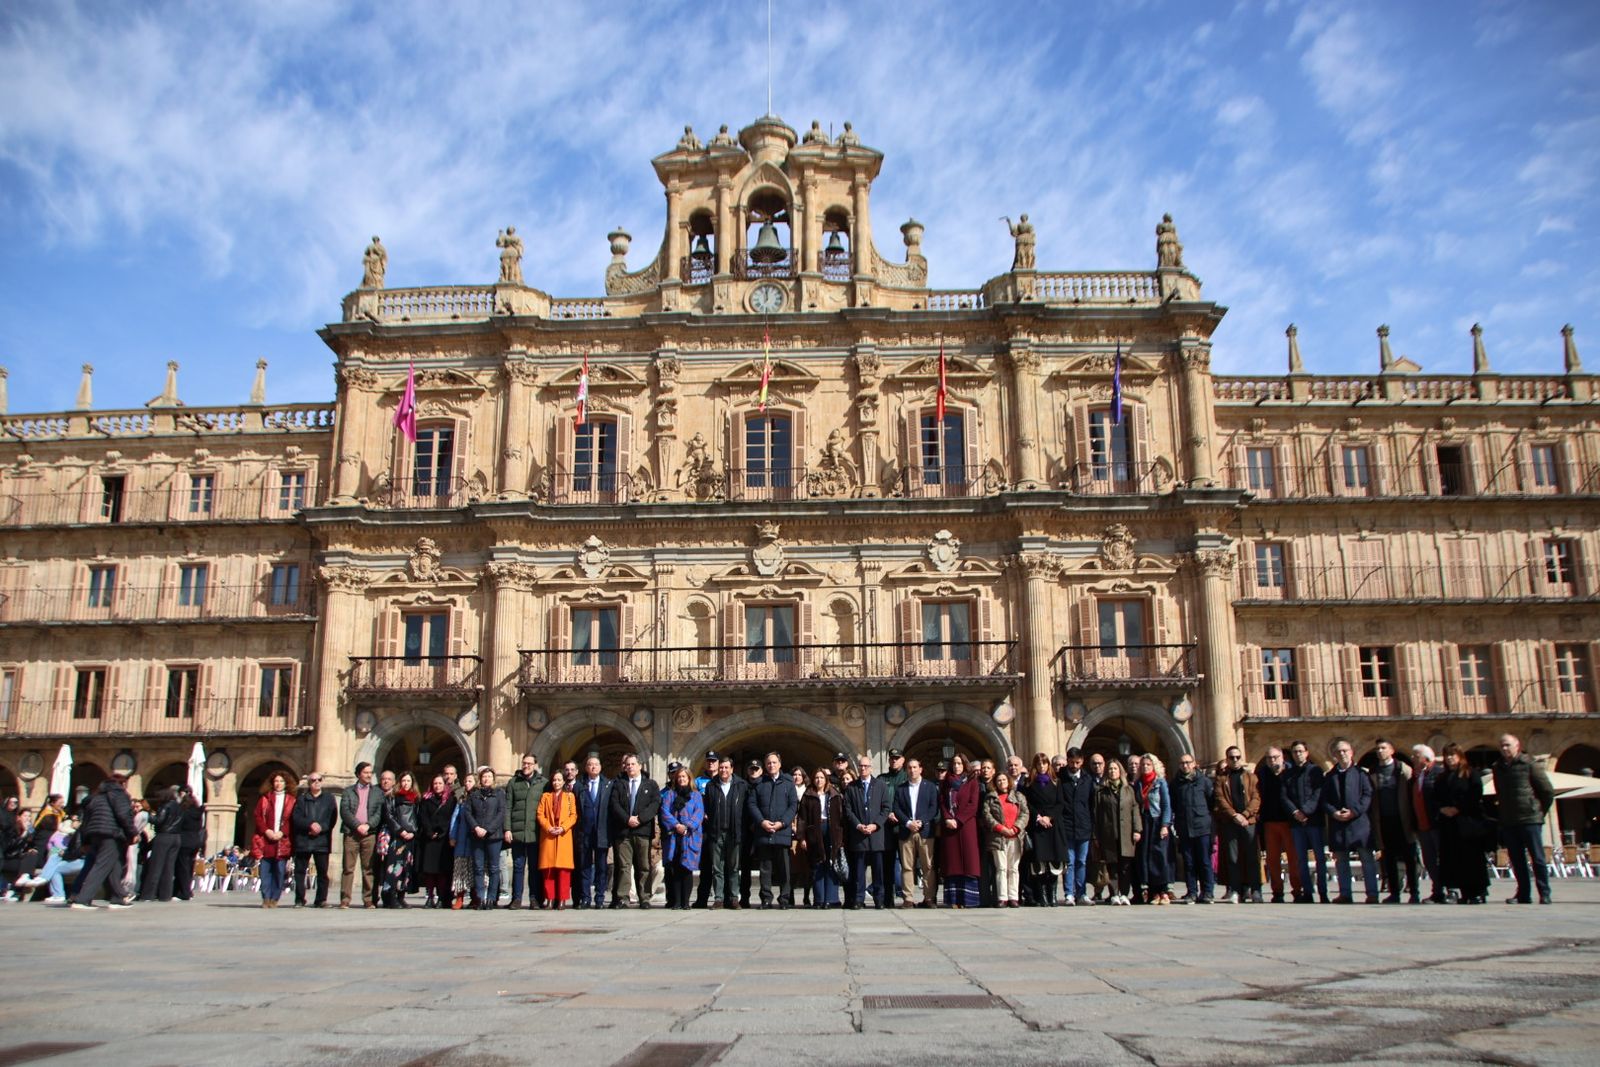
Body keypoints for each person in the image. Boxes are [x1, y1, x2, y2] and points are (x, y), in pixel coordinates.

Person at [1490, 733, 1555, 905]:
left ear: (1517, 746)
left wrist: (1538, 811)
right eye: (1502, 745)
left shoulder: (1529, 764)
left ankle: (1544, 892)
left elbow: (1547, 791)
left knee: (1538, 858)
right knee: (1517, 860)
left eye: (1508, 745)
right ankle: (1523, 893)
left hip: (1530, 819)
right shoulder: (1497, 767)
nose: (1504, 748)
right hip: (1509, 820)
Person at [1322, 739, 1378, 904]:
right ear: (1334, 755)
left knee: (1367, 859)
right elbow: (1324, 799)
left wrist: (1354, 811)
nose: (1342, 754)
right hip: (1338, 823)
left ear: (1352, 752)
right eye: (1339, 751)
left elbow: (1367, 795)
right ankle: (1345, 893)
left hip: (1360, 823)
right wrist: (1334, 812)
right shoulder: (1330, 776)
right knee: (1341, 861)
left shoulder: (1362, 774)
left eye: (1345, 750)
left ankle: (1372, 893)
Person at [1435, 743, 1490, 905]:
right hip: (1449, 823)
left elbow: (1475, 794)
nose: (1449, 758)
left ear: (1460, 756)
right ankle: (1457, 890)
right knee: (1452, 857)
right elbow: (1434, 797)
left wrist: (1458, 808)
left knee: (1472, 857)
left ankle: (1477, 891)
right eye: (1446, 755)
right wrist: (1442, 808)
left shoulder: (1471, 774)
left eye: (1452, 754)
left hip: (1468, 822)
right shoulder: (1442, 777)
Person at [72, 773, 136, 910]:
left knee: (115, 865)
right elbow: (124, 815)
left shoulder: (96, 797)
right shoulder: (119, 794)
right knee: (102, 866)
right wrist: (133, 833)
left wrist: (85, 841)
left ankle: (118, 897)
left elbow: (86, 821)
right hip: (111, 834)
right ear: (122, 784)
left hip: (95, 834)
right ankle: (83, 899)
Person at [1368, 739, 1420, 904]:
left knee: (1410, 858)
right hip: (1383, 820)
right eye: (1377, 748)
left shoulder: (1404, 769)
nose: (1380, 751)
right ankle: (1394, 893)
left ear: (1392, 750)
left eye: (1383, 748)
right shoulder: (1373, 771)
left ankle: (1414, 892)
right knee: (1389, 858)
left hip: (1403, 819)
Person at [747, 751, 797, 909]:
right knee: (765, 868)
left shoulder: (788, 783)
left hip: (782, 831)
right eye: (768, 763)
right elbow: (752, 804)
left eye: (774, 762)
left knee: (784, 868)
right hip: (764, 832)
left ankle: (785, 899)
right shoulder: (759, 783)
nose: (771, 765)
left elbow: (793, 805)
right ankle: (766, 898)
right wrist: (762, 822)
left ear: (780, 764)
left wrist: (782, 823)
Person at [609, 754, 660, 909]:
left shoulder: (650, 784)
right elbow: (614, 804)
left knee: (643, 866)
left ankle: (644, 898)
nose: (630, 767)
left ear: (640, 766)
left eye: (633, 764)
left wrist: (640, 818)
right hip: (624, 831)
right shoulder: (619, 784)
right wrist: (627, 819)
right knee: (624, 866)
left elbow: (655, 804)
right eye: (628, 764)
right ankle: (623, 898)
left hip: (642, 831)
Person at [1215, 746, 1262, 903]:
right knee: (1232, 858)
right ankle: (1235, 890)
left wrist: (1245, 814)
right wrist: (1234, 815)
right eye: (1231, 757)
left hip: (1248, 822)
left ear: (1241, 758)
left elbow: (1256, 798)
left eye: (1237, 757)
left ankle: (1256, 889)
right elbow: (1220, 799)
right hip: (1230, 822)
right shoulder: (1221, 779)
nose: (1235, 760)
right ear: (1227, 759)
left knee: (1252, 857)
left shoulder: (1251, 777)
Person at [844, 755, 891, 909]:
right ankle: (858, 899)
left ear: (871, 768)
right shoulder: (852, 787)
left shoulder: (880, 785)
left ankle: (879, 899)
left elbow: (886, 808)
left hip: (876, 835)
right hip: (859, 835)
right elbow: (848, 810)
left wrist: (875, 825)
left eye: (866, 766)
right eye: (861, 766)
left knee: (878, 870)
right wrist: (858, 825)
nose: (863, 768)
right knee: (859, 870)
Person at [1284, 740, 1329, 903]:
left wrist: (1306, 811)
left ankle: (1323, 892)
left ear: (1307, 752)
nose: (1298, 754)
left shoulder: (1315, 771)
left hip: (1314, 820)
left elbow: (1318, 793)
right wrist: (1295, 812)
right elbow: (1284, 796)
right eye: (1295, 752)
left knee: (1320, 858)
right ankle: (1307, 892)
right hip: (1296, 822)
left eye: (1300, 751)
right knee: (1301, 859)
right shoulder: (1288, 773)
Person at [700, 756, 746, 910]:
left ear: (732, 769)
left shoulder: (741, 785)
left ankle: (734, 898)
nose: (723, 770)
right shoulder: (711, 786)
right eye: (721, 767)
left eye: (726, 767)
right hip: (716, 832)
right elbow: (707, 807)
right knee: (717, 868)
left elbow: (745, 808)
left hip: (734, 832)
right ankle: (718, 898)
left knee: (734, 868)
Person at [894, 757, 940, 908]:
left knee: (928, 866)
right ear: (906, 770)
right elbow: (896, 808)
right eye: (909, 768)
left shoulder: (930, 787)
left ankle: (929, 898)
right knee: (907, 866)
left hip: (925, 831)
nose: (912, 770)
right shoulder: (901, 788)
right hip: (906, 831)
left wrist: (922, 821)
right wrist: (908, 823)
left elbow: (933, 807)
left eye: (915, 767)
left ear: (920, 769)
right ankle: (908, 898)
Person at [1170, 753, 1215, 904]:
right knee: (1189, 863)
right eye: (1182, 763)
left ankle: (1208, 892)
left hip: (1202, 827)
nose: (1185, 765)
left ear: (1194, 763)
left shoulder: (1204, 781)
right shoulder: (1175, 784)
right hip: (1184, 828)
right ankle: (1192, 892)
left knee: (1204, 861)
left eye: (1188, 762)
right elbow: (1174, 805)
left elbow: (1211, 802)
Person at [505, 754, 548, 910]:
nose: (526, 766)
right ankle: (516, 899)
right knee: (518, 866)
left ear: (535, 765)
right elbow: (508, 807)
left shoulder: (543, 783)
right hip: (517, 832)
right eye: (524, 763)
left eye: (529, 763)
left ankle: (534, 899)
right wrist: (507, 829)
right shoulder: (513, 782)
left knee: (534, 867)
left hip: (535, 832)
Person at [939, 753, 982, 908]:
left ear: (965, 765)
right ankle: (953, 900)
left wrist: (958, 820)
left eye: (959, 763)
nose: (956, 766)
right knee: (952, 863)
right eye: (954, 763)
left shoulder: (972, 782)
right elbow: (942, 802)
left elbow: (973, 804)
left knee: (968, 862)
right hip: (949, 827)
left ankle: (968, 899)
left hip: (966, 826)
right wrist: (947, 818)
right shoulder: (946, 782)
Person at [1092, 760, 1137, 905]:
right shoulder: (1101, 791)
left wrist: (1137, 829)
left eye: (1115, 769)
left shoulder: (1128, 790)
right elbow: (1096, 814)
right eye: (1110, 769)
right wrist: (1095, 835)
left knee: (1125, 866)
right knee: (1112, 866)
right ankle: (1114, 894)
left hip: (1126, 833)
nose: (1112, 771)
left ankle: (1124, 894)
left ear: (1120, 771)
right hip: (1108, 834)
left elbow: (1134, 810)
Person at [1023, 752, 1066, 906]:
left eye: (1044, 763)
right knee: (1039, 862)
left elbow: (1060, 803)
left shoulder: (1056, 782)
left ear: (1048, 765)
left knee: (1054, 861)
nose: (1042, 766)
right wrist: (1039, 817)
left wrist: (1049, 817)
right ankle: (1042, 896)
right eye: (1039, 763)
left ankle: (1052, 895)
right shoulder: (1029, 783)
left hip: (1053, 825)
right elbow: (1027, 804)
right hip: (1038, 826)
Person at [797, 768, 844, 909]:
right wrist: (802, 837)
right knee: (817, 864)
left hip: (832, 830)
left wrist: (841, 837)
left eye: (822, 778)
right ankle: (819, 899)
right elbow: (802, 818)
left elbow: (841, 817)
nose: (819, 780)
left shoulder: (834, 794)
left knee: (831, 863)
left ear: (826, 779)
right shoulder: (808, 795)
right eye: (816, 778)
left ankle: (832, 899)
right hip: (814, 831)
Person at [658, 766, 703, 910]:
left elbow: (699, 813)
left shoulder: (696, 795)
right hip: (673, 836)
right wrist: (676, 825)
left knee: (687, 868)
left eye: (684, 776)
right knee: (675, 868)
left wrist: (687, 826)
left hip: (689, 836)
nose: (681, 779)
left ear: (689, 778)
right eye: (679, 777)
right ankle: (676, 901)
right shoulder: (670, 795)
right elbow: (664, 812)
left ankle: (686, 902)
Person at [982, 771, 1029, 907]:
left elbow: (1025, 813)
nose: (1001, 782)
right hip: (998, 837)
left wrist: (1016, 828)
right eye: (999, 780)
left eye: (1004, 780)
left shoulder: (1018, 796)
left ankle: (1013, 897)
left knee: (1013, 868)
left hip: (1015, 836)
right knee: (1001, 868)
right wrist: (1000, 828)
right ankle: (1002, 897)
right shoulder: (991, 798)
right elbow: (987, 815)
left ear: (1008, 781)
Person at [338, 762, 380, 910]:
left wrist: (368, 825)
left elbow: (378, 813)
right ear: (358, 774)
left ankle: (368, 899)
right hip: (351, 833)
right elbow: (345, 811)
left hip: (370, 833)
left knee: (368, 868)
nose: (369, 775)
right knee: (348, 868)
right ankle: (345, 899)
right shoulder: (348, 791)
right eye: (365, 772)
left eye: (370, 772)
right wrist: (357, 825)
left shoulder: (377, 792)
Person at [464, 768, 507, 910]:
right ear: (480, 779)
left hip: (494, 836)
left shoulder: (499, 794)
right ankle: (480, 898)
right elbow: (468, 813)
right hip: (477, 836)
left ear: (493, 779)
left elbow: (501, 813)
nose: (486, 779)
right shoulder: (473, 795)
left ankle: (491, 899)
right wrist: (476, 827)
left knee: (494, 868)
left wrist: (487, 829)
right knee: (478, 868)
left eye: (489, 776)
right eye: (484, 776)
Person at [1057, 748, 1095, 906]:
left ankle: (1082, 893)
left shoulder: (1087, 779)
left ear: (1082, 761)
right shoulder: (1060, 778)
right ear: (1067, 761)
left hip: (1083, 826)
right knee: (1069, 862)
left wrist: (1091, 825)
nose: (1074, 765)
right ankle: (1069, 894)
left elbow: (1092, 804)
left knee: (1082, 861)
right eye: (1071, 762)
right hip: (1066, 826)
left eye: (1077, 762)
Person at [290, 772, 334, 908]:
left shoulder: (329, 799)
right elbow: (296, 818)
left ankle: (321, 900)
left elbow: (332, 818)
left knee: (322, 872)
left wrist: (321, 827)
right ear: (309, 783)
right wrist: (310, 825)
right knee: (300, 872)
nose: (316, 782)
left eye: (319, 779)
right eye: (313, 780)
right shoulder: (301, 799)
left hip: (322, 839)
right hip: (304, 839)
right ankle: (299, 899)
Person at [1133, 753, 1173, 904]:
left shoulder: (1160, 782)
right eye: (1143, 765)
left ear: (1154, 766)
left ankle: (1163, 891)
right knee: (1146, 856)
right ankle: (1153, 892)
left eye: (1148, 764)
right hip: (1145, 821)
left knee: (1159, 856)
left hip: (1157, 820)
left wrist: (1165, 825)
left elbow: (1166, 805)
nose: (1145, 767)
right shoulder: (1138, 783)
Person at [574, 755, 613, 909]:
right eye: (590, 764)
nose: (593, 767)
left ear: (600, 767)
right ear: (586, 768)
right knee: (584, 866)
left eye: (596, 764)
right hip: (584, 832)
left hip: (602, 831)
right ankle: (585, 898)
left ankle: (600, 897)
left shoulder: (608, 785)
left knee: (601, 866)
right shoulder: (580, 785)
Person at [251, 772, 294, 909]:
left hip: (282, 841)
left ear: (286, 783)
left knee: (280, 871)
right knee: (265, 871)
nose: (278, 784)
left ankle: (275, 898)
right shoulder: (265, 799)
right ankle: (266, 897)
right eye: (276, 781)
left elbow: (292, 819)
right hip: (266, 840)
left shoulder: (291, 800)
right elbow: (258, 816)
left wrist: (282, 832)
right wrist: (267, 831)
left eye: (281, 781)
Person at [537, 770, 578, 909]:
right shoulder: (545, 796)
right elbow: (540, 814)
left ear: (564, 781)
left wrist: (563, 828)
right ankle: (550, 898)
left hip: (563, 836)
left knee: (563, 870)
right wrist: (548, 827)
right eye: (554, 780)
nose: (556, 782)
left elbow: (573, 815)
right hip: (548, 836)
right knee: (548, 869)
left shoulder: (570, 796)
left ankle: (562, 899)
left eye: (559, 780)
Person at [1411, 745, 1445, 903]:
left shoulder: (1439, 773)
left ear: (1426, 758)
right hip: (1423, 825)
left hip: (1437, 824)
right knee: (1429, 860)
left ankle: (1451, 889)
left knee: (1444, 858)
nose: (1412, 758)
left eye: (1416, 755)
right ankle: (1437, 890)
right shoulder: (1418, 775)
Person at [135, 788, 182, 903]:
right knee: (168, 868)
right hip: (176, 837)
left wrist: (148, 816)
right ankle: (165, 895)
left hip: (164, 836)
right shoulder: (178, 806)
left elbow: (159, 820)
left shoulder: (165, 806)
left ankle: (148, 895)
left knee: (156, 865)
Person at [381, 772, 420, 908]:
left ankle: (401, 896)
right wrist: (400, 831)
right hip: (397, 836)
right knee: (394, 867)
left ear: (412, 783)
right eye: (403, 780)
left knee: (406, 868)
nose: (406, 783)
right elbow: (389, 816)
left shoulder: (416, 798)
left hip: (410, 837)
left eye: (408, 781)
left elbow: (417, 817)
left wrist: (413, 832)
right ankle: (390, 896)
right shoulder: (392, 797)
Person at [416, 774, 455, 908]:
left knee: (442, 870)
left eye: (440, 783)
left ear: (445, 785)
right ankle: (430, 896)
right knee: (429, 870)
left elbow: (451, 818)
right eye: (435, 784)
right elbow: (423, 817)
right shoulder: (426, 800)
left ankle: (442, 897)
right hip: (429, 839)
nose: (437, 786)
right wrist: (430, 832)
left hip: (443, 840)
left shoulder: (451, 800)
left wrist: (442, 832)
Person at [172, 785, 205, 901]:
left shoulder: (184, 812)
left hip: (184, 840)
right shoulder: (198, 813)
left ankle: (184, 893)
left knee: (182, 867)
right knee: (190, 867)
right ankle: (187, 891)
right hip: (195, 840)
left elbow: (179, 826)